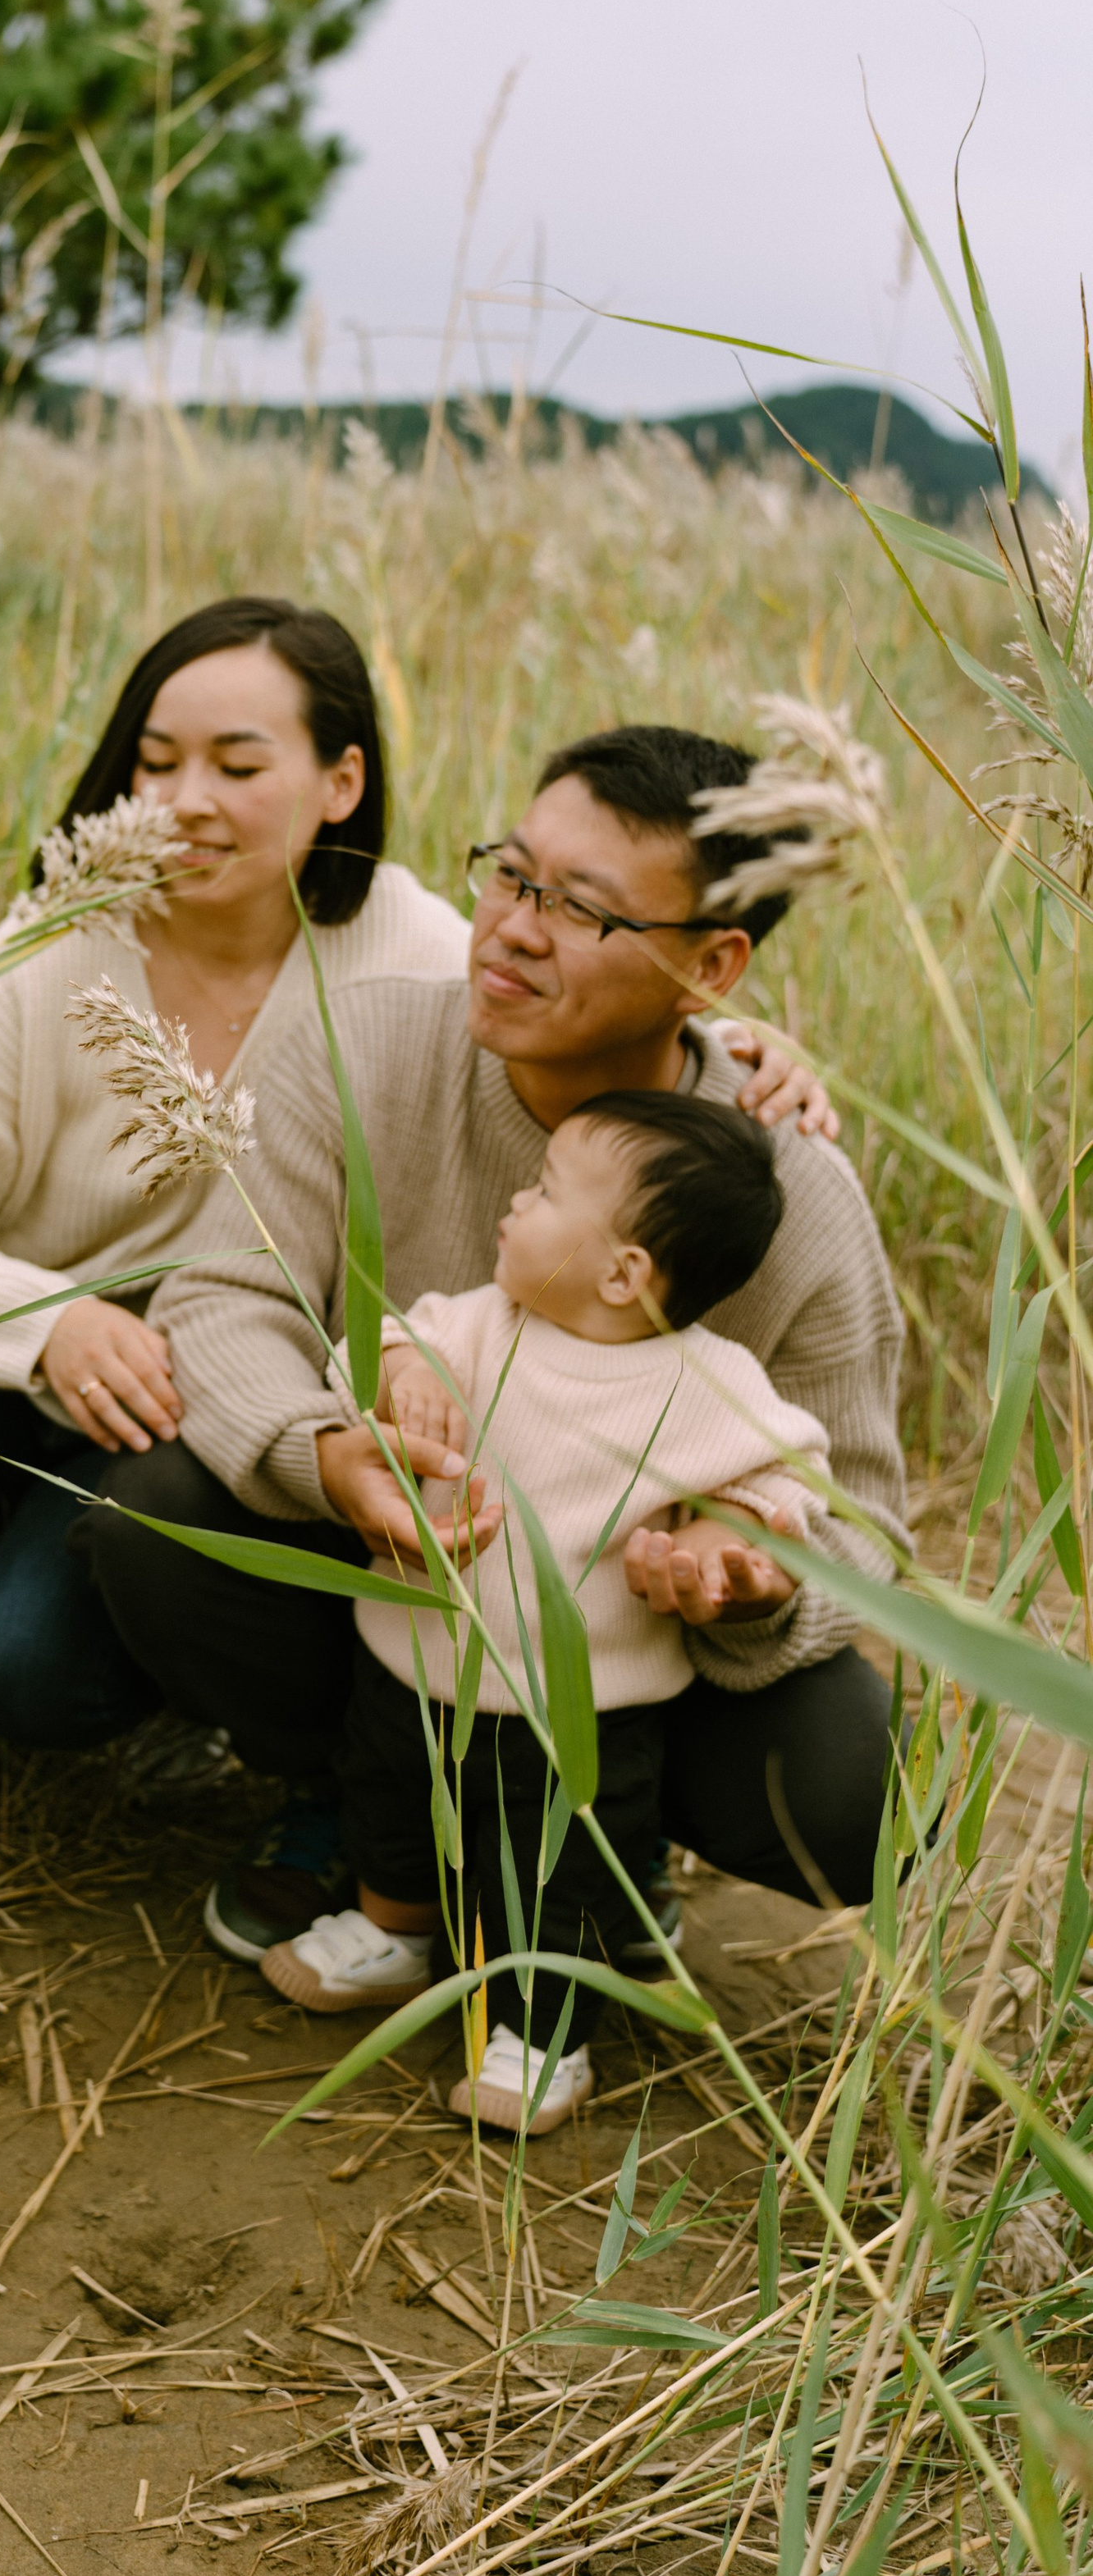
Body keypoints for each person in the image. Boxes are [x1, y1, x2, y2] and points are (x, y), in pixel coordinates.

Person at [0, 610, 823, 1806]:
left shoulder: (416, 943)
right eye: (155, 762)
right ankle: (105, 1592)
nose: (185, 799)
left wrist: (730, 1046)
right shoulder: (49, 946)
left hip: (262, 1406)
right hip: (70, 1382)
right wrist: (49, 1323)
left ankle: (283, 1735)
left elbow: (590, 1000)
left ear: (341, 780)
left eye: (240, 765)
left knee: (25, 1659)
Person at [90, 722, 908, 1962]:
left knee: (857, 1790)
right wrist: (336, 1458)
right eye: (511, 875)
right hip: (387, 1610)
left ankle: (602, 1847)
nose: (515, 927)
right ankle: (359, 1810)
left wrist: (746, 1561)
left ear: (715, 966)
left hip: (632, 1662)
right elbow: (219, 1303)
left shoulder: (792, 1191)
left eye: (583, 910)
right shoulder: (360, 1049)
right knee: (147, 1510)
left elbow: (861, 1511)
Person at [261, 1089, 831, 2136]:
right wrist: (394, 1372)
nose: (514, 1202)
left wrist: (728, 1543)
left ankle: (541, 2025)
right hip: (412, 1663)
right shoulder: (476, 1326)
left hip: (582, 1712)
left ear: (624, 1272)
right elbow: (362, 1349)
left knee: (557, 1865)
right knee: (388, 1795)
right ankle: (397, 1931)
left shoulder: (706, 1382)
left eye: (545, 1191)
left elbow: (790, 1482)